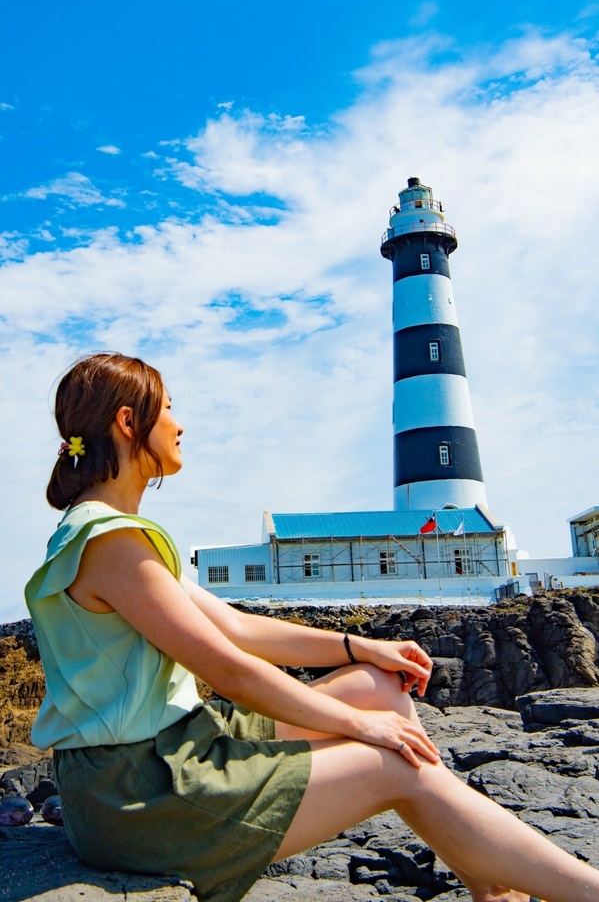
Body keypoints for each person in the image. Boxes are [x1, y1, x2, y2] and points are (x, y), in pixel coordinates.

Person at [25, 353, 599, 902]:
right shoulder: (113, 544)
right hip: (140, 792)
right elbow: (226, 667)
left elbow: (236, 628)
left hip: (170, 751)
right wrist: (359, 729)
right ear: (128, 423)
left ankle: (491, 880)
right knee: (396, 759)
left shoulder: (109, 532)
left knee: (379, 685)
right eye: (168, 407)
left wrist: (361, 646)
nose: (179, 425)